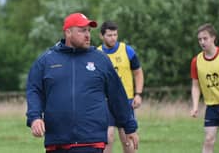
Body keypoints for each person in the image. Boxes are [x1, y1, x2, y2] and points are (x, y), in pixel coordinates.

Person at [26, 12, 139, 153]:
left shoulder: (101, 60)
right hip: (57, 142)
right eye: (82, 30)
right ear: (68, 32)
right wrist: (35, 118)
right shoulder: (46, 61)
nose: (87, 35)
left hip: (91, 141)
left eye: (89, 31)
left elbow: (117, 95)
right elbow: (34, 90)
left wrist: (129, 127)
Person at [98, 21, 144, 153]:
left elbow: (138, 72)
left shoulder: (127, 51)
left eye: (115, 35)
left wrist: (138, 94)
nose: (113, 38)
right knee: (108, 137)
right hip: (105, 102)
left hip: (126, 100)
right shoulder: (97, 53)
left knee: (127, 140)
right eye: (109, 35)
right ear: (102, 36)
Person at [190, 23, 219, 153]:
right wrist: (195, 106)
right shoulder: (196, 61)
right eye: (199, 39)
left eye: (205, 38)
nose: (202, 42)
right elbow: (196, 86)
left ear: (213, 38)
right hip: (212, 107)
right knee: (209, 139)